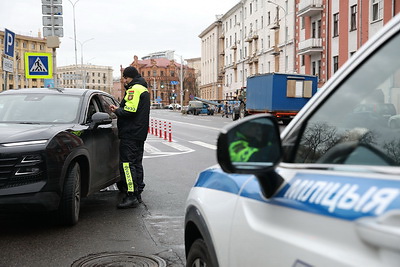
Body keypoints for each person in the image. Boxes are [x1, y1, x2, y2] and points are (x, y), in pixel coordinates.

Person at [110, 66, 150, 209]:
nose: (124, 81)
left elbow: (129, 110)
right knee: (136, 163)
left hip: (130, 133)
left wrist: (117, 110)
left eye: (125, 78)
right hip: (139, 133)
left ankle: (131, 194)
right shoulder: (143, 88)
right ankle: (138, 192)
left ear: (130, 77)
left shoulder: (134, 89)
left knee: (127, 165)